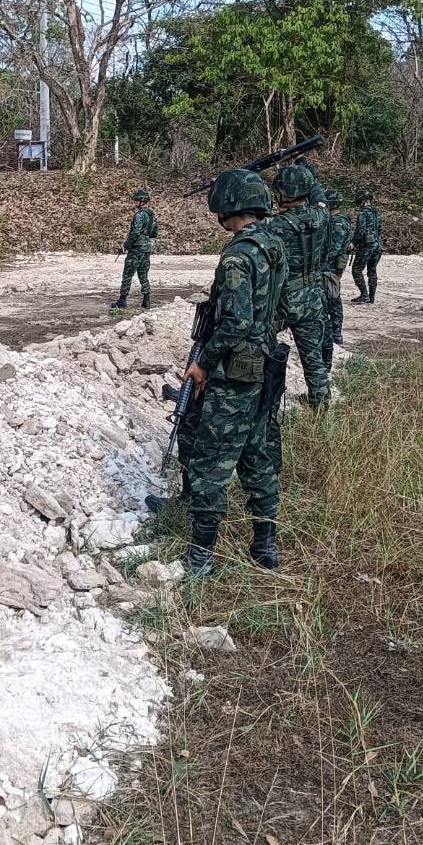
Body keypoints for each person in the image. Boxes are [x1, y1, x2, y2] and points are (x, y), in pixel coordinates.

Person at [176, 169, 289, 575]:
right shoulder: (274, 246)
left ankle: (201, 557)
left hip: (234, 373)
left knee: (212, 461)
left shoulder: (239, 255)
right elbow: (279, 309)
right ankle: (265, 545)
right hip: (266, 368)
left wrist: (203, 362)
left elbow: (236, 321)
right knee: (257, 454)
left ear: (228, 206)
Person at [265, 163, 331, 408]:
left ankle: (265, 399)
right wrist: (309, 174)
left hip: (283, 300)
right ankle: (320, 401)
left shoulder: (275, 226)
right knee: (313, 357)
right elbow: (320, 198)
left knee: (260, 347)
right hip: (313, 297)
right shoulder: (321, 216)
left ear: (283, 193)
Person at [321, 190, 352, 369]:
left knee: (333, 298)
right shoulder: (335, 220)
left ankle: (336, 332)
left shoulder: (339, 223)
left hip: (331, 266)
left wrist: (321, 260)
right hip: (329, 265)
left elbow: (334, 247)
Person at [111, 188, 158, 309]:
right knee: (143, 274)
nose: (134, 203)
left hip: (136, 248)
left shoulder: (140, 215)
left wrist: (126, 245)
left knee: (127, 274)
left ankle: (122, 300)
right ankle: (146, 300)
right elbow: (154, 233)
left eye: (136, 200)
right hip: (147, 247)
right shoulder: (151, 214)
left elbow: (135, 232)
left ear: (141, 201)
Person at [350, 190, 382, 303]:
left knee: (356, 270)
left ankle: (364, 295)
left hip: (367, 246)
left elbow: (360, 231)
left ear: (363, 200)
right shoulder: (376, 212)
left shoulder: (363, 213)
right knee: (372, 271)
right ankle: (371, 297)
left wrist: (353, 242)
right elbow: (379, 229)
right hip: (377, 245)